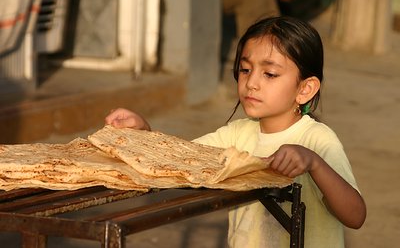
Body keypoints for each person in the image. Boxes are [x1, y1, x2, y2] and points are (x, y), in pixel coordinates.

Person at [105, 16, 366, 248]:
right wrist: (144, 132)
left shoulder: (317, 140)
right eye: (245, 69)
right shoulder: (236, 135)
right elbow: (182, 160)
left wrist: (315, 163)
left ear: (305, 89)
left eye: (270, 74)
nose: (251, 83)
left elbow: (355, 216)